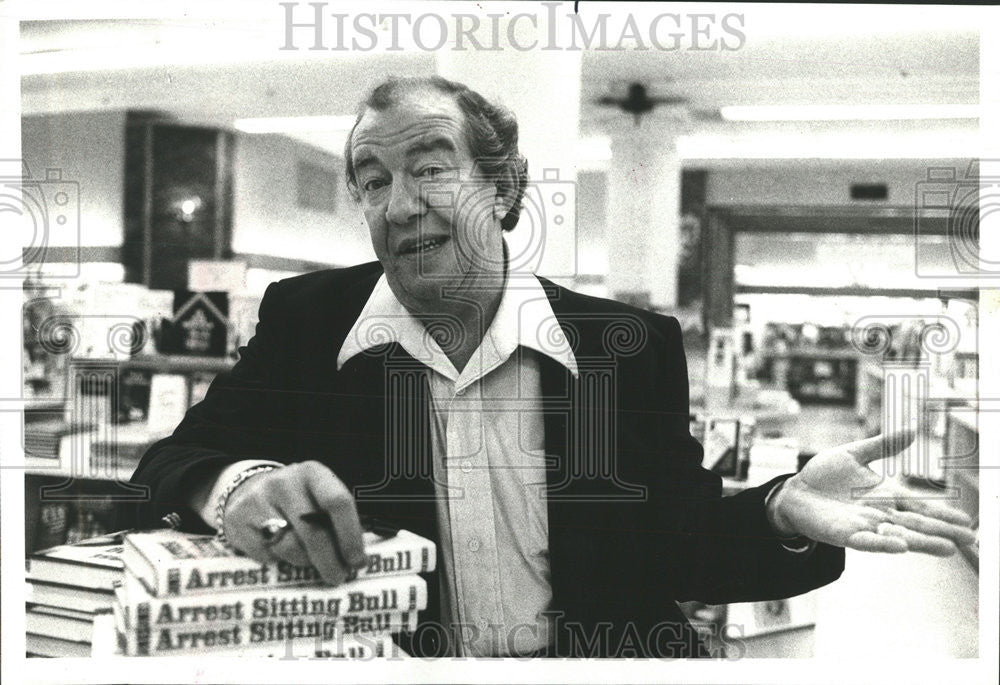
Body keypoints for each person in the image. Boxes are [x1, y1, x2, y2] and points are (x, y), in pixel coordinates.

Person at [126, 75, 975, 658]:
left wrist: (779, 510)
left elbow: (672, 545)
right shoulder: (308, 324)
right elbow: (168, 464)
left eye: (430, 168)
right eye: (372, 180)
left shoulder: (625, 346)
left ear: (502, 188)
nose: (399, 203)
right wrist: (238, 485)